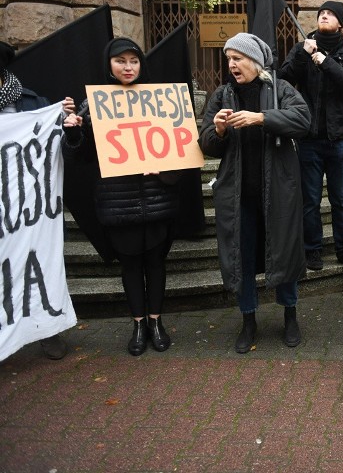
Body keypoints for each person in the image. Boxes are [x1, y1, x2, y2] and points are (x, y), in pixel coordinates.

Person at [63, 37, 181, 356]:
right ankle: (139, 325)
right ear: (109, 65)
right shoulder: (94, 104)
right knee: (130, 265)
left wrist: (163, 169)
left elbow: (181, 149)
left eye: (134, 60)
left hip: (157, 200)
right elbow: (81, 158)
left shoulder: (160, 100)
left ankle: (156, 323)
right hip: (118, 202)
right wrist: (74, 130)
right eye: (121, 61)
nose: (128, 67)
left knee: (156, 263)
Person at [199, 33, 310, 352]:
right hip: (238, 197)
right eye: (229, 59)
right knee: (241, 257)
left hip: (278, 192)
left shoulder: (280, 89)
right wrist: (218, 130)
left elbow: (303, 121)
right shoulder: (222, 95)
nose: (232, 64)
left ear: (255, 61)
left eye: (238, 58)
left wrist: (262, 117)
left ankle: (290, 315)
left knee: (284, 251)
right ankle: (248, 320)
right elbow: (206, 145)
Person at [278, 1, 343, 274]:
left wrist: (327, 63)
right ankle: (312, 250)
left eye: (330, 14)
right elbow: (282, 79)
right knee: (310, 200)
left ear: (340, 23)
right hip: (309, 139)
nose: (324, 16)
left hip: (338, 139)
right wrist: (304, 56)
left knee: (340, 199)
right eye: (321, 14)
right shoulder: (303, 48)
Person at [0, 41, 74, 360]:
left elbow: (60, 151)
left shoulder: (33, 102)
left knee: (37, 261)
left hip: (30, 207)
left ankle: (46, 329)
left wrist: (67, 124)